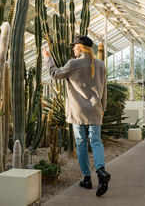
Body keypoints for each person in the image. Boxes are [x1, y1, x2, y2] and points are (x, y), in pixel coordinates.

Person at [43, 35, 111, 197]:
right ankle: (101, 171)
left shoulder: (73, 64)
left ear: (80, 47)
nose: (73, 48)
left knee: (81, 143)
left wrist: (48, 58)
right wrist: (103, 108)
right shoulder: (100, 64)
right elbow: (105, 89)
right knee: (96, 141)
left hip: (77, 111)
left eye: (74, 46)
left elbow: (55, 74)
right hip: (95, 109)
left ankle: (86, 178)